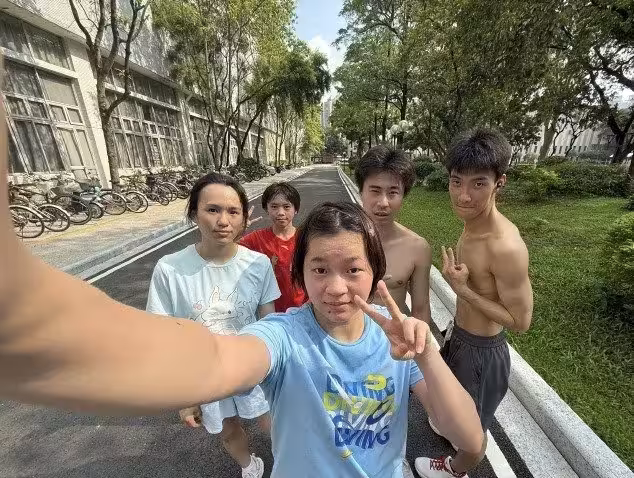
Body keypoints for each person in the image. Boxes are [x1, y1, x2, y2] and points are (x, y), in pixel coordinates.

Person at [0, 50, 483, 475]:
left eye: (353, 270)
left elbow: (470, 441)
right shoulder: (284, 336)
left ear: (376, 274)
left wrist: (425, 353)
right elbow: (216, 360)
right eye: (319, 269)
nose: (336, 287)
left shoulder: (397, 344)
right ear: (299, 273)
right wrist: (29, 318)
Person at [415, 129, 534, 478]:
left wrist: (463, 291)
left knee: (473, 436)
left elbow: (521, 321)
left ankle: (454, 470)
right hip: (459, 336)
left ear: (499, 183)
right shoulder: (472, 222)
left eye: (479, 183)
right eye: (456, 182)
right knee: (449, 407)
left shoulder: (505, 246)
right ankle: (449, 426)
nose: (464, 195)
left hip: (482, 354)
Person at [146, 173, 280, 478]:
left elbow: (269, 324)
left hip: (252, 368)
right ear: (194, 213)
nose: (223, 221)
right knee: (228, 431)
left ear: (244, 218)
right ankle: (249, 466)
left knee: (274, 422)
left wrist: (276, 373)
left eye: (233, 211)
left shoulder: (258, 264)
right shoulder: (169, 269)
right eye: (212, 210)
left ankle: (293, 463)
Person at [355, 145, 432, 323]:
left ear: (403, 195)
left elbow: (420, 309)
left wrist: (421, 341)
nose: (383, 202)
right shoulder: (338, 240)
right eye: (375, 191)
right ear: (361, 192)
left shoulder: (417, 248)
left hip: (393, 338)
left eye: (393, 193)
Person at [240, 182, 306, 312]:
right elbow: (226, 250)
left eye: (286, 207)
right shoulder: (256, 239)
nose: (280, 213)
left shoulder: (306, 238)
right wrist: (239, 229)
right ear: (266, 209)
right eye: (274, 207)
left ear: (296, 209)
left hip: (303, 309)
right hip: (269, 311)